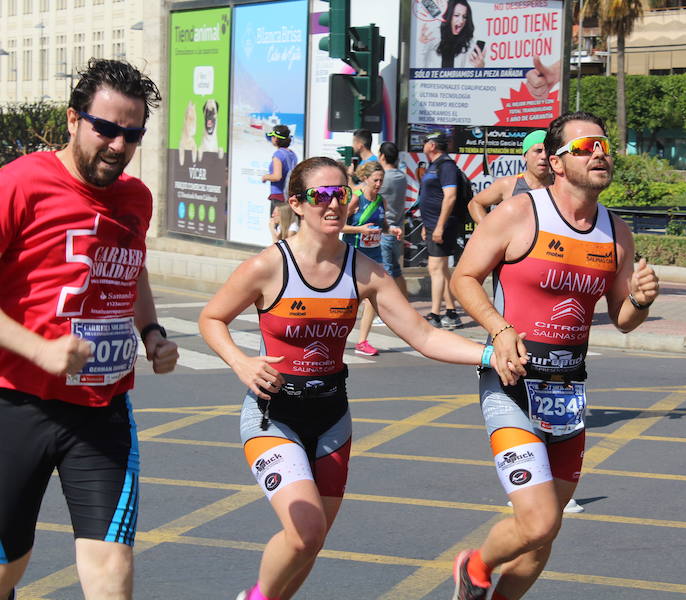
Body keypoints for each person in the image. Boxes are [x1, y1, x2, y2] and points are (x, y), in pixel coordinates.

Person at [197, 156, 523, 600]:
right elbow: (212, 318)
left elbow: (424, 335)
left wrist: (490, 354)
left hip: (332, 419)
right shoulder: (268, 267)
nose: (333, 204)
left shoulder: (364, 272)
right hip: (274, 416)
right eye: (321, 196)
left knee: (310, 544)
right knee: (305, 530)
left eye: (341, 194)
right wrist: (240, 362)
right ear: (297, 203)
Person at [448, 111, 660, 600]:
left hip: (568, 390)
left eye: (603, 145)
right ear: (558, 162)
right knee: (538, 520)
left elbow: (622, 318)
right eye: (586, 147)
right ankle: (474, 566)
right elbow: (463, 277)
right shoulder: (521, 213)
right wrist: (499, 329)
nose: (600, 153)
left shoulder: (616, 232)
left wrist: (642, 300)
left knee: (546, 534)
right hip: (512, 381)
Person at [0, 58, 179, 600]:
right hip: (15, 405)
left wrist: (151, 331)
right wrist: (39, 349)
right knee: (8, 565)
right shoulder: (19, 184)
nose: (118, 146)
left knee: (111, 572)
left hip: (103, 410)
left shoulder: (135, 199)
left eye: (132, 134)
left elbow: (133, 266)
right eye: (106, 129)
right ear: (74, 120)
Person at [342, 161, 402, 356]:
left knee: (372, 297)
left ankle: (362, 341)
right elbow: (339, 226)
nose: (378, 184)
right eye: (375, 180)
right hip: (355, 252)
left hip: (374, 253)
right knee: (350, 300)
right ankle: (333, 336)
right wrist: (360, 229)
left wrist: (391, 229)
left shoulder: (380, 200)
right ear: (365, 178)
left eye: (381, 181)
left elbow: (382, 224)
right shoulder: (355, 199)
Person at [418, 131, 463, 330]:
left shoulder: (446, 166)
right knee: (441, 269)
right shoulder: (434, 166)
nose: (423, 145)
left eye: (425, 141)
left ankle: (435, 314)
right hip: (432, 224)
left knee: (435, 269)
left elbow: (450, 196)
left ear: (433, 145)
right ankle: (452, 312)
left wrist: (439, 226)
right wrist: (427, 226)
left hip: (442, 225)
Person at [468, 130, 552, 224]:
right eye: (538, 151)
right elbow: (475, 204)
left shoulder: (561, 184)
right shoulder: (508, 185)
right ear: (525, 156)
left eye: (548, 151)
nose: (544, 156)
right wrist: (490, 231)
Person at [378, 141, 409, 298]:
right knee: (396, 271)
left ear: (382, 156)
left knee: (386, 275)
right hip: (397, 230)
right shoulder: (401, 177)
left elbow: (363, 190)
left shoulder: (384, 179)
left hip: (386, 231)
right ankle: (405, 305)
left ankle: (387, 311)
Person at [418, 0, 485, 68]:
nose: (461, 21)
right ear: (449, 15)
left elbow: (471, 73)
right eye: (456, 15)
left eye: (464, 17)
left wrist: (480, 68)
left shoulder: (468, 42)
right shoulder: (434, 35)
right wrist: (422, 44)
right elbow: (419, 67)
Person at [261, 124, 298, 216]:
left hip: (278, 196)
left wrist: (265, 177)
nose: (272, 138)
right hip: (289, 194)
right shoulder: (292, 154)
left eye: (273, 136)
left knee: (276, 225)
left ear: (276, 138)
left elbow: (277, 176)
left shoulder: (278, 154)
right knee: (286, 225)